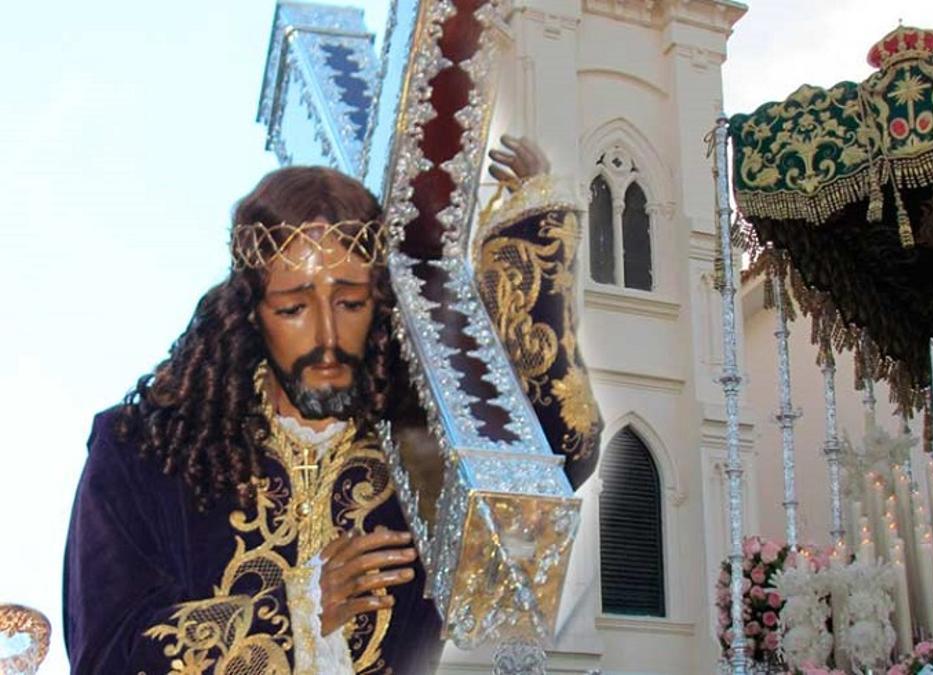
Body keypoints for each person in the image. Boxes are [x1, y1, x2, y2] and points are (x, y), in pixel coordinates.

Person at [63, 137, 601, 673]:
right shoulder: (146, 452)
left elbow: (557, 456)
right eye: (294, 307)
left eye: (349, 303)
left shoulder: (421, 451)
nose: (327, 338)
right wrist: (296, 611)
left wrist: (531, 226)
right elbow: (104, 653)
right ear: (251, 311)